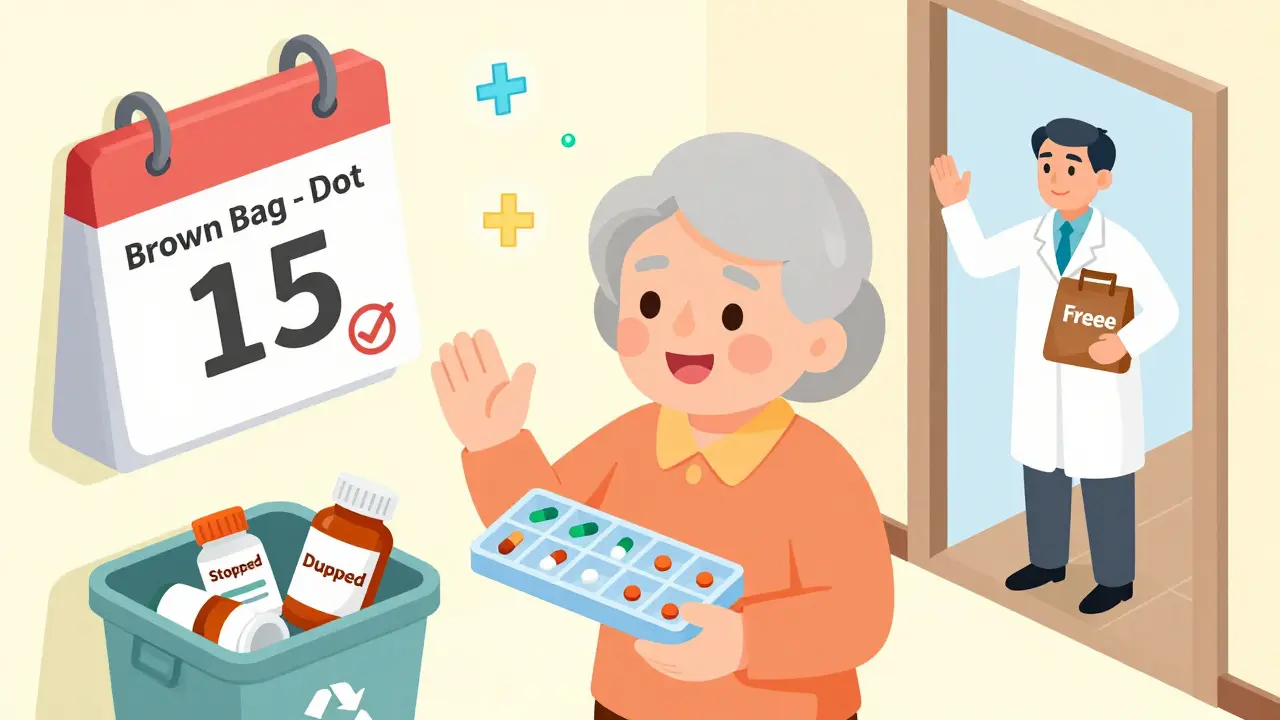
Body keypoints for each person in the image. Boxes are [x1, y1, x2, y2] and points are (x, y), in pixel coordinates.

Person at [433, 132, 894, 720]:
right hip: (630, 702)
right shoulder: (633, 439)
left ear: (820, 343)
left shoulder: (819, 472)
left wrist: (745, 642)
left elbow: (860, 615)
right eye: (650, 303)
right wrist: (495, 445)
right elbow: (542, 530)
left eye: (732, 313)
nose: (682, 329)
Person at [929, 118, 1178, 614]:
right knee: (1044, 473)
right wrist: (956, 206)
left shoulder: (1120, 243)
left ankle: (1115, 580)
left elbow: (1166, 310)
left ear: (1102, 178)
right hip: (1043, 385)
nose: (1056, 177)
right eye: (1046, 165)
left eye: (1070, 166)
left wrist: (1123, 342)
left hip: (1099, 388)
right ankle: (1047, 563)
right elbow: (979, 261)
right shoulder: (1033, 235)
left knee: (1105, 483)